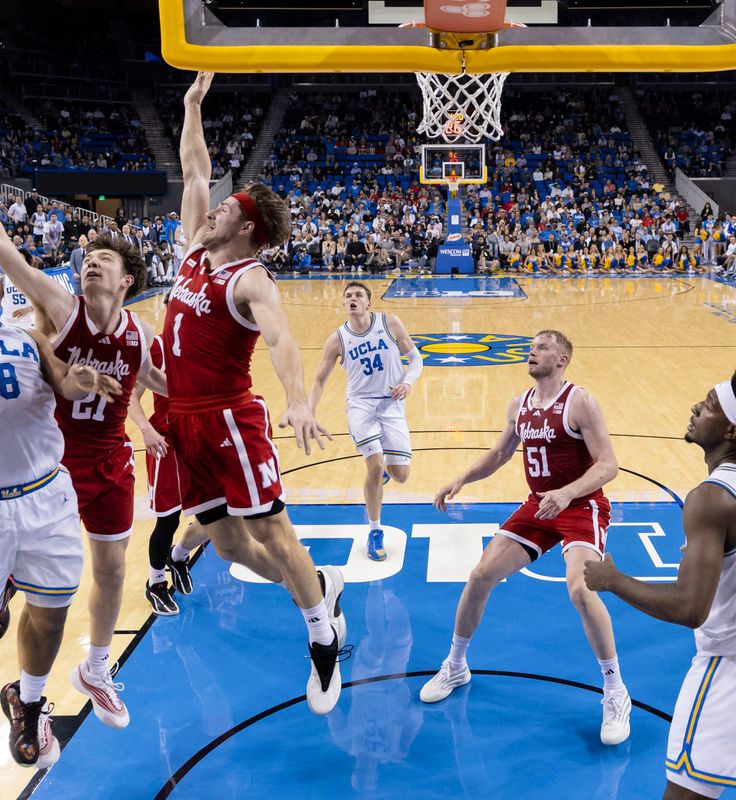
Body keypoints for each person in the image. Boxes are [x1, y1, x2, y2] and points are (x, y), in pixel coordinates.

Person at [0, 114, 166, 730]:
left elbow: (157, 384)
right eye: (88, 257)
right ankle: (1, 569)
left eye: (104, 260)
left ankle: (96, 668)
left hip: (107, 458)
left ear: (127, 281)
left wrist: (150, 420)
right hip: (52, 457)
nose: (90, 264)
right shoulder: (58, 306)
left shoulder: (141, 335)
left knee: (109, 568)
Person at [167, 72, 348, 714]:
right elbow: (194, 170)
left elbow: (281, 340)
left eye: (227, 210)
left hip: (228, 419)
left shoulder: (251, 279)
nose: (213, 209)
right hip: (182, 419)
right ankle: (318, 588)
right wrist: (192, 106)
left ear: (246, 230)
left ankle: (322, 638)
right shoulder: (195, 250)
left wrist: (299, 398)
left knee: (272, 532)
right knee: (228, 545)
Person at [423, 330, 631, 745]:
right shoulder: (519, 404)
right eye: (531, 346)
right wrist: (460, 479)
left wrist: (568, 492)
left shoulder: (580, 402)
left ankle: (615, 691)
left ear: (562, 359)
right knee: (481, 574)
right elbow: (501, 454)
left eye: (542, 347)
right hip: (539, 505)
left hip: (580, 505)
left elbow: (609, 465)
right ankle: (456, 664)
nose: (532, 351)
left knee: (581, 589)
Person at [585, 374, 736, 799]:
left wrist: (612, 580)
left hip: (726, 671)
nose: (695, 407)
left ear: (731, 430)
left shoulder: (712, 498)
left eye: (708, 405)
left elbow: (691, 607)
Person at [309, 281, 423, 560]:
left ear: (369, 302)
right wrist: (309, 412)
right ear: (344, 304)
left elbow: (416, 358)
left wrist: (407, 383)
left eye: (358, 295)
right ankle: (374, 531)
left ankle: (385, 470)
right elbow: (319, 380)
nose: (352, 299)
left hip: (392, 403)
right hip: (360, 406)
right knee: (373, 467)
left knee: (401, 476)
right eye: (348, 296)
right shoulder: (337, 339)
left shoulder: (390, 323)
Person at [128, 325, 211, 614]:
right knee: (168, 520)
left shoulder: (207, 345)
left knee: (216, 515)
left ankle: (178, 556)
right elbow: (132, 396)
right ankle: (156, 584)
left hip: (200, 439)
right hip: (166, 441)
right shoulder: (157, 348)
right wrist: (146, 429)